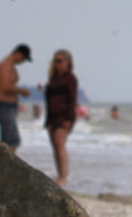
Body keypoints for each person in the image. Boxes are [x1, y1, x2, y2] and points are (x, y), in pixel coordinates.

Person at [43, 49, 78, 186]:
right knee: (55, 145)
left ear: (67, 63)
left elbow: (72, 99)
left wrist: (69, 119)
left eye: (60, 61)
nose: (57, 64)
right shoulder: (53, 78)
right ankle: (59, 174)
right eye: (55, 61)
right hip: (52, 116)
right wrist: (47, 120)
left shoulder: (70, 78)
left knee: (60, 144)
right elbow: (48, 100)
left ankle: (63, 176)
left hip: (64, 116)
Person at [0, 43, 31, 151]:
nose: (22, 62)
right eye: (23, 59)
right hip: (5, 105)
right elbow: (5, 87)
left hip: (9, 106)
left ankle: (5, 165)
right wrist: (21, 91)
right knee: (12, 141)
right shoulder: (5, 65)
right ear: (18, 54)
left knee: (9, 140)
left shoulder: (10, 66)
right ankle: (6, 166)